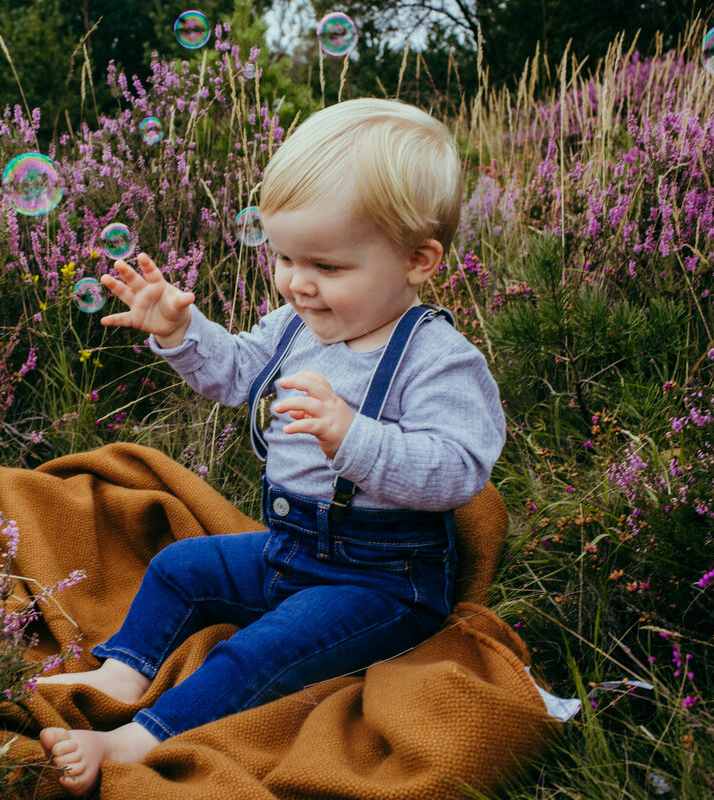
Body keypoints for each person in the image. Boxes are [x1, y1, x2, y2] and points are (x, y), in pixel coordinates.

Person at [36, 97, 506, 796]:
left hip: (381, 583)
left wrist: (354, 436)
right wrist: (177, 331)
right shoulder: (295, 325)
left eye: (327, 265)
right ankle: (122, 668)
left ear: (418, 261)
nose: (298, 282)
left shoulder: (435, 358)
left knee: (255, 651)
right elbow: (232, 372)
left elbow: (460, 470)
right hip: (289, 549)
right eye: (285, 256)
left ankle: (131, 741)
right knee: (178, 567)